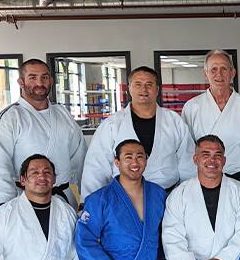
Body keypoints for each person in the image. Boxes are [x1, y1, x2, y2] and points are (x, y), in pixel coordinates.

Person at [82, 66, 196, 197]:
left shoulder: (174, 121)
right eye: (138, 84)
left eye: (149, 84)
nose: (144, 89)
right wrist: (90, 202)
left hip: (167, 196)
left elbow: (188, 163)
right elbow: (96, 167)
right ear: (129, 88)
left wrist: (189, 196)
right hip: (123, 198)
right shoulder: (112, 125)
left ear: (157, 89)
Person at [0, 59, 86, 208]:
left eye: (44, 77)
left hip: (63, 198)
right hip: (25, 199)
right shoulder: (8, 118)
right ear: (21, 82)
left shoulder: (63, 114)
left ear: (50, 80)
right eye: (32, 77)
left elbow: (81, 158)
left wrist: (87, 195)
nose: (39, 83)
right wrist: (5, 204)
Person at [181, 49, 240, 200]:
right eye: (213, 69)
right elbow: (186, 150)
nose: (219, 74)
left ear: (232, 72)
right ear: (206, 73)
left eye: (224, 69)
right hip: (203, 182)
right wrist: (188, 183)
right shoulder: (192, 107)